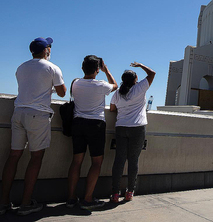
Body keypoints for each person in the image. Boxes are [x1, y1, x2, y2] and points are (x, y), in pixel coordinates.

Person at [0, 37, 66, 216]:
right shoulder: (53, 68)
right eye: (49, 47)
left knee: (13, 156)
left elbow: (30, 86)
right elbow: (62, 92)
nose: (50, 50)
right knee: (36, 158)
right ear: (46, 50)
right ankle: (25, 204)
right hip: (38, 115)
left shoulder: (21, 67)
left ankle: (3, 202)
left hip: (18, 112)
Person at [66, 55, 117, 210]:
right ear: (97, 70)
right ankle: (87, 199)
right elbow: (115, 85)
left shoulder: (75, 83)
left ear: (82, 68)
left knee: (76, 161)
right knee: (96, 163)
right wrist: (106, 70)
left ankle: (71, 198)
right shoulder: (101, 85)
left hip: (77, 123)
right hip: (95, 125)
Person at [109, 61, 155, 203]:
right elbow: (152, 74)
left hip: (121, 127)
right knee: (133, 160)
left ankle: (115, 194)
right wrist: (141, 65)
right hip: (137, 128)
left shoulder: (118, 93)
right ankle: (129, 192)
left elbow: (111, 109)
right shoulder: (139, 88)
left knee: (119, 161)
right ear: (135, 80)